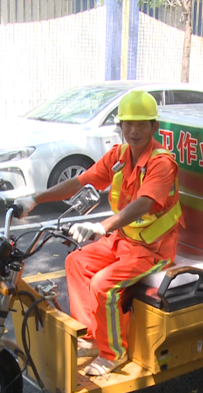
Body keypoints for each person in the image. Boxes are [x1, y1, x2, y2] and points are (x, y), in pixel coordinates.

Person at [14, 90, 183, 376]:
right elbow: (81, 181)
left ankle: (113, 352)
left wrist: (100, 227)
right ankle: (92, 337)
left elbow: (144, 205)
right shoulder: (118, 157)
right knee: (75, 263)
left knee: (103, 285)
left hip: (154, 250)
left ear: (155, 127)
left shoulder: (161, 163)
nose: (133, 130)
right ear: (120, 126)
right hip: (122, 242)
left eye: (141, 124)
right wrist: (35, 199)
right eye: (127, 123)